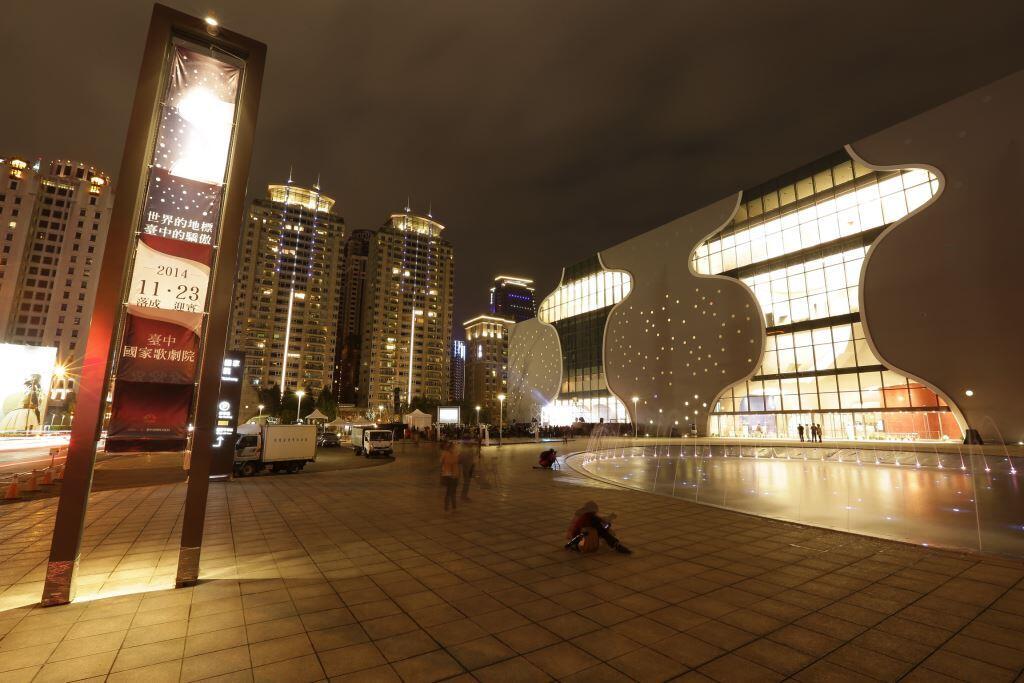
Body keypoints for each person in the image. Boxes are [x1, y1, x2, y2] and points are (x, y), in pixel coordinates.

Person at [565, 501, 631, 554]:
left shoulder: (584, 515)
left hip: (577, 537)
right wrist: (607, 523)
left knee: (604, 531)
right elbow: (602, 528)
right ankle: (616, 545)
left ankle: (615, 544)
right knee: (606, 532)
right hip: (582, 538)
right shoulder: (591, 517)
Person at [439, 440, 460, 511]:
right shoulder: (448, 454)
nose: (454, 448)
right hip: (449, 475)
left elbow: (441, 462)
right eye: (453, 447)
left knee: (452, 491)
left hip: (453, 474)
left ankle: (452, 505)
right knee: (450, 491)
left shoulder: (452, 454)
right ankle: (448, 506)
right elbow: (443, 462)